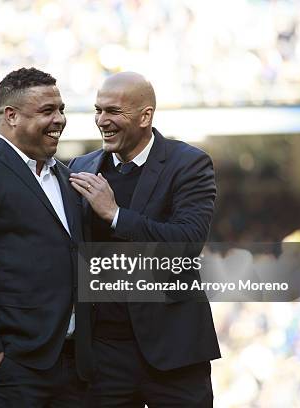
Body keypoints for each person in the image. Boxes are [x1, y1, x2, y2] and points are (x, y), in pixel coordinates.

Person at [69, 72, 220, 407]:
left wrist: (116, 215)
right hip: (104, 355)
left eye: (113, 111)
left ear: (145, 116)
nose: (102, 121)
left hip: (174, 351)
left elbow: (187, 243)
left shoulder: (188, 164)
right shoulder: (81, 167)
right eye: (98, 110)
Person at [0, 67, 93, 407]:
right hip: (9, 370)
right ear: (11, 116)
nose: (59, 119)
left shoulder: (67, 176)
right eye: (47, 111)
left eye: (61, 110)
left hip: (71, 368)